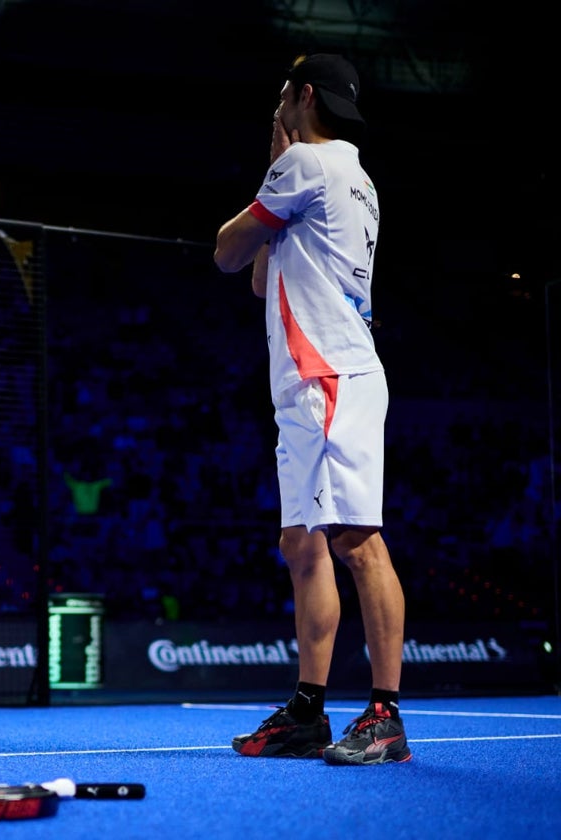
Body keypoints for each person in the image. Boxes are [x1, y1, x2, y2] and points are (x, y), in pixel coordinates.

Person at [213, 54, 409, 765]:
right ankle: (307, 711)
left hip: (332, 375)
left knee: (358, 542)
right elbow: (266, 283)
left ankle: (385, 716)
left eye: (281, 98)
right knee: (302, 544)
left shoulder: (307, 166)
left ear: (299, 96)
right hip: (308, 382)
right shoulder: (355, 178)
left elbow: (227, 254)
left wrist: (273, 159)